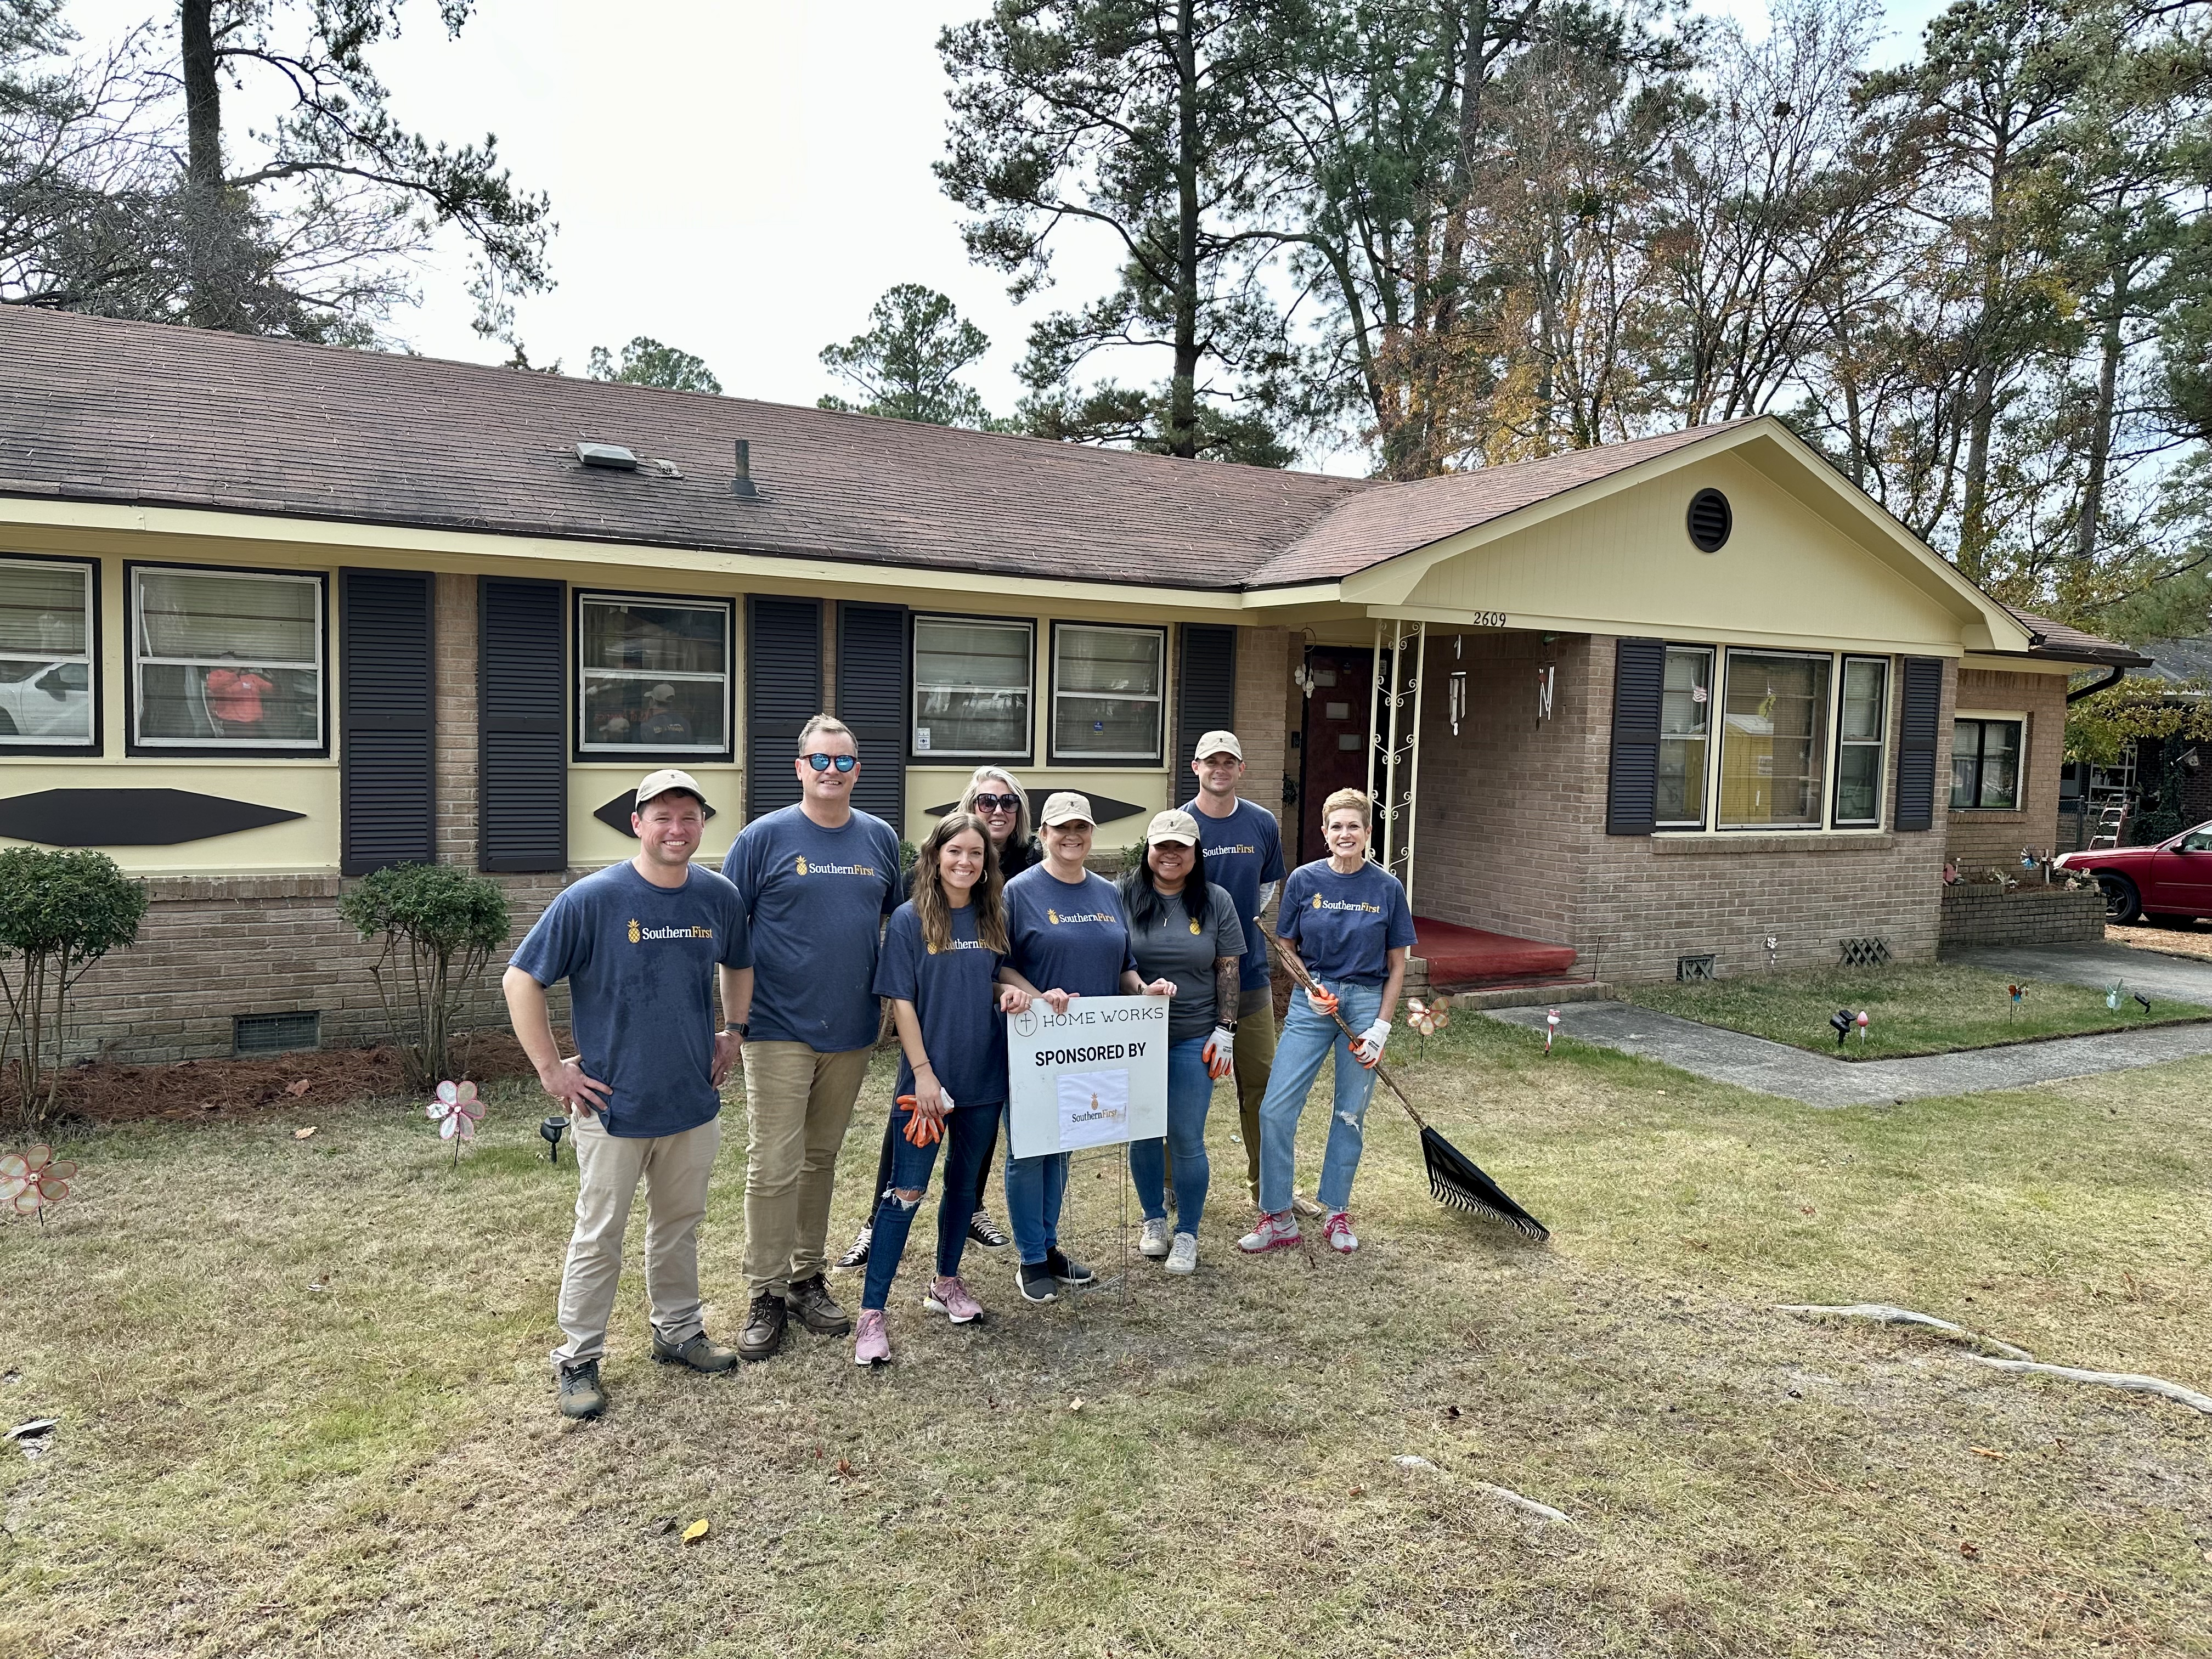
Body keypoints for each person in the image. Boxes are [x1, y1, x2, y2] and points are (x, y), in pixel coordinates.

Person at [503, 768, 753, 1420]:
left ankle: (677, 1331)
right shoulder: (593, 899)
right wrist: (551, 1070)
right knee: (599, 1235)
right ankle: (579, 1358)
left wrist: (734, 1031)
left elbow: (741, 961)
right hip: (613, 1104)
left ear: (702, 825)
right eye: (662, 817)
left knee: (680, 1227)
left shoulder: (717, 896)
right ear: (637, 824)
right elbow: (521, 980)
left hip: (692, 1100)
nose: (677, 829)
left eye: (689, 817)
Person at [721, 715, 902, 1362]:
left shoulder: (879, 839)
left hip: (851, 1029)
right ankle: (765, 1291)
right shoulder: (762, 838)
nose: (832, 771)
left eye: (844, 761)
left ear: (859, 769)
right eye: (820, 761)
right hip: (774, 1027)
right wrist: (730, 1023)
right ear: (799, 768)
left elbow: (900, 925)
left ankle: (806, 1278)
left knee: (820, 1158)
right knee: (772, 1162)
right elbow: (727, 934)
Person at [854, 812, 1056, 1364]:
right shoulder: (909, 919)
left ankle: (946, 1282)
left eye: (976, 854)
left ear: (987, 863)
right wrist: (921, 1074)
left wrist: (1028, 996)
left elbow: (992, 978)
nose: (965, 862)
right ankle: (872, 1315)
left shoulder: (992, 915)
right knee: (906, 1194)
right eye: (955, 852)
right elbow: (902, 1001)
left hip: (985, 1079)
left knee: (964, 1192)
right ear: (935, 856)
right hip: (927, 1085)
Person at [837, 765, 1039, 1271]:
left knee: (979, 1129)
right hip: (934, 1031)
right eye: (988, 801)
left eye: (1008, 802)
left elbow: (999, 962)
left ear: (1020, 814)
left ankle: (969, 1210)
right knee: (907, 1138)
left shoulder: (1031, 864)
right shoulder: (931, 879)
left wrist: (1029, 994)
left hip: (993, 1025)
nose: (998, 810)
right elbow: (913, 967)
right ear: (969, 807)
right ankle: (874, 1223)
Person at [998, 792, 1173, 1303]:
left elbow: (1123, 966)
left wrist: (1145, 993)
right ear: (1043, 835)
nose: (1071, 836)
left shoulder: (1107, 892)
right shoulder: (1018, 891)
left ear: (1091, 833)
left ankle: (1050, 1245)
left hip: (1090, 1047)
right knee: (1030, 1149)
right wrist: (1036, 996)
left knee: (1062, 1146)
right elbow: (999, 966)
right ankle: (1031, 1257)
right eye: (1060, 828)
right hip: (1034, 1043)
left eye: (1081, 828)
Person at [1239, 787, 1414, 1258]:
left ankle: (1336, 1211)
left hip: (1364, 1004)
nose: (1344, 834)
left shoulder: (1386, 888)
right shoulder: (1303, 880)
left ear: (1367, 833)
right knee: (1276, 1108)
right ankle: (1277, 1217)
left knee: (1349, 1112)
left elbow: (1398, 965)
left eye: (1353, 826)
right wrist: (1308, 988)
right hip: (1313, 1001)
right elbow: (1286, 947)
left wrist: (1381, 1028)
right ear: (1324, 832)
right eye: (1336, 826)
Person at [1118, 809, 1244, 1275]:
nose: (1170, 854)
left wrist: (1225, 1030)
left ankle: (1188, 1231)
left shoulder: (1215, 900)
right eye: (1162, 845)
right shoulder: (1124, 895)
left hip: (1195, 1034)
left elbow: (1228, 968)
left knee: (1187, 1135)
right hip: (1134, 1039)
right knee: (1144, 1133)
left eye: (1181, 847)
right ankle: (1154, 1220)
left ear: (1196, 853)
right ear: (1148, 849)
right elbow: (1111, 960)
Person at [1181, 730, 1291, 1211]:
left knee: (1264, 1088)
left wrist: (1235, 928)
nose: (1220, 769)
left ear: (1241, 770)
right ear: (1196, 767)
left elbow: (1267, 888)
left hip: (1249, 981)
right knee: (1180, 1091)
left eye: (1230, 762)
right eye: (1212, 761)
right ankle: (1169, 1190)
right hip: (1189, 982)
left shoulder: (1262, 823)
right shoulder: (1179, 823)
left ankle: (1268, 1190)